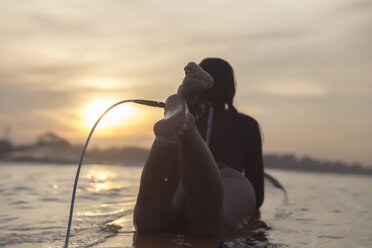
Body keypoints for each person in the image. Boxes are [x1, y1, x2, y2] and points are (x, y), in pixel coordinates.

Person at [133, 58, 264, 237]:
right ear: (230, 90)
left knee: (148, 223)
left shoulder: (182, 120)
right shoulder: (245, 125)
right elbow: (258, 194)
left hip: (179, 178)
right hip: (228, 178)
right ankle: (188, 125)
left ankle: (183, 107)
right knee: (208, 224)